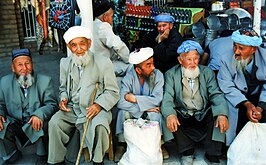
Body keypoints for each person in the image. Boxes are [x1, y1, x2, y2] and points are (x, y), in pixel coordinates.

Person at [47, 26, 120, 165]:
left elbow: (113, 91)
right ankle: (57, 161)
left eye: (82, 43)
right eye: (74, 45)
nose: (79, 49)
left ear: (89, 44)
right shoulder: (65, 63)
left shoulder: (103, 62)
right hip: (72, 108)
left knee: (99, 125)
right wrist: (63, 99)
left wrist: (98, 105)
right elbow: (62, 88)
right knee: (54, 123)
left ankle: (98, 161)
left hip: (95, 109)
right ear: (69, 46)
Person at [161, 40, 229, 165]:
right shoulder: (171, 74)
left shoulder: (206, 72)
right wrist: (170, 114)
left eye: (196, 59)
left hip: (202, 113)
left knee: (218, 112)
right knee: (170, 114)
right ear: (180, 60)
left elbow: (216, 94)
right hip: (184, 112)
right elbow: (167, 97)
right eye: (189, 59)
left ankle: (212, 153)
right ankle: (187, 151)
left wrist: (222, 114)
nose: (193, 63)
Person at [0, 48, 58, 164]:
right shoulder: (4, 82)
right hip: (15, 121)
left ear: (32, 65)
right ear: (13, 68)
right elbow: (1, 104)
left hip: (34, 122)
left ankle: (42, 155)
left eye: (27, 63)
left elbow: (52, 104)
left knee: (42, 121)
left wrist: (39, 114)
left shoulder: (45, 81)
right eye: (20, 65)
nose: (24, 68)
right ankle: (10, 153)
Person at [114, 47, 170, 162]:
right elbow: (120, 102)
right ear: (138, 70)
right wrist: (144, 108)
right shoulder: (129, 77)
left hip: (151, 112)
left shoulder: (158, 75)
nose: (153, 67)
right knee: (122, 112)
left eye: (152, 63)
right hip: (138, 111)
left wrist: (134, 98)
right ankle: (122, 144)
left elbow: (157, 100)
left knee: (156, 115)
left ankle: (159, 144)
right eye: (148, 65)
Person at [217, 28, 266, 146]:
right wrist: (247, 104)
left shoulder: (264, 57)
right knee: (227, 107)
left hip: (261, 97)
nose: (236, 52)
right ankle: (230, 147)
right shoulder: (226, 58)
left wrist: (260, 107)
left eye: (241, 48)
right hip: (238, 99)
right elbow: (227, 86)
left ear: (253, 49)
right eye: (235, 46)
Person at [92, 0, 131, 87]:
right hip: (103, 66)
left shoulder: (93, 24)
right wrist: (129, 59)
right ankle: (128, 89)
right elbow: (118, 45)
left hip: (96, 65)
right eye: (112, 17)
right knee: (132, 67)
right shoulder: (102, 27)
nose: (112, 19)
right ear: (105, 17)